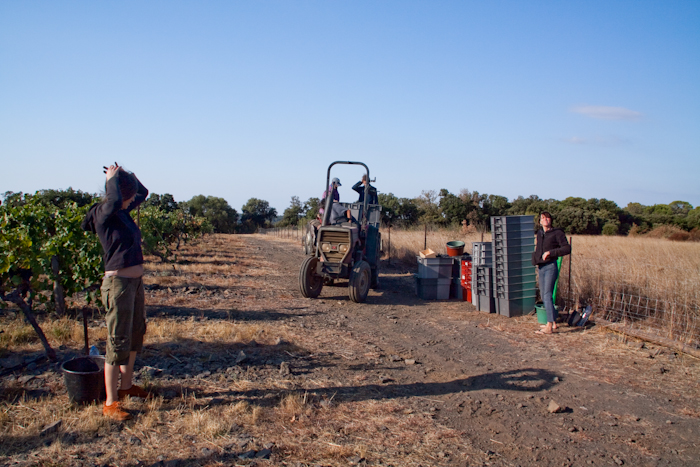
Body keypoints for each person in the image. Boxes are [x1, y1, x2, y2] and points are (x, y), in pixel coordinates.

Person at [82, 163, 150, 420]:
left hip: (134, 283)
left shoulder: (122, 211)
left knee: (134, 334)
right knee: (117, 340)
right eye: (128, 195)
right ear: (120, 194)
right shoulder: (105, 213)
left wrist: (127, 174)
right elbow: (111, 200)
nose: (133, 200)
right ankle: (111, 402)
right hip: (118, 285)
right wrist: (113, 180)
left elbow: (143, 193)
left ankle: (126, 386)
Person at [532, 211, 571, 335]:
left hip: (550, 266)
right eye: (543, 218)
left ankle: (549, 326)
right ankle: (553, 322)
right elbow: (538, 248)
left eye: (547, 218)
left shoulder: (557, 233)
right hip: (541, 266)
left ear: (551, 220)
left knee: (548, 294)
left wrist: (551, 253)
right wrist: (535, 258)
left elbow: (567, 248)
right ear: (540, 221)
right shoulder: (540, 233)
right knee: (543, 295)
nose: (545, 220)